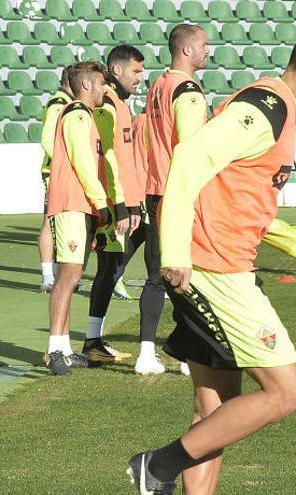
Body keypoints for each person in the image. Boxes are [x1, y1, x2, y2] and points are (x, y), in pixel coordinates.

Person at [127, 24, 296, 495]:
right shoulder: (266, 106)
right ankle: (157, 465)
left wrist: (286, 237)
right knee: (288, 390)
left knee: (213, 413)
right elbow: (189, 160)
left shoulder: (282, 112)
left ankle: (164, 471)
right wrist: (174, 251)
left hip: (221, 261)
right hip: (213, 270)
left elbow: (229, 191)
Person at [138, 23, 210, 374]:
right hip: (179, 192)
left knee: (156, 273)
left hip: (156, 189)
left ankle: (145, 352)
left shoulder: (158, 85)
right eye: (203, 45)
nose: (207, 51)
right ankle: (188, 351)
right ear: (186, 50)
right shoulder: (188, 91)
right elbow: (192, 147)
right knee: (186, 273)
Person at [43, 61, 112, 375]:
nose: (104, 89)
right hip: (71, 203)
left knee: (72, 276)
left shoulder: (84, 115)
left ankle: (64, 349)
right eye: (100, 83)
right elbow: (83, 162)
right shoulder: (76, 114)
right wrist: (102, 201)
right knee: (68, 277)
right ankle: (55, 349)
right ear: (86, 84)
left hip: (81, 205)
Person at [82, 44, 145, 366]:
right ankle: (88, 342)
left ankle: (93, 341)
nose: (140, 77)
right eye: (136, 71)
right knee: (108, 269)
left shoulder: (117, 102)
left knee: (111, 269)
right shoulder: (107, 102)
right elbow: (111, 157)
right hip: (113, 204)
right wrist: (125, 206)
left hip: (122, 202)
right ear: (116, 70)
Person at [38, 67, 74, 291]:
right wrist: (63, 164)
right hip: (55, 172)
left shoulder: (64, 102)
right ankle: (47, 277)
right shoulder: (58, 104)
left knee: (61, 224)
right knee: (50, 222)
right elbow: (48, 139)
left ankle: (60, 276)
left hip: (60, 171)